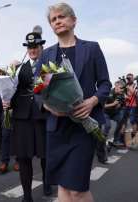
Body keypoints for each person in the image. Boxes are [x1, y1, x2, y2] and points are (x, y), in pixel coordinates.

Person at [35, 3, 111, 201]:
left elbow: (104, 84)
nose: (58, 21)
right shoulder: (47, 55)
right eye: (53, 19)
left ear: (73, 20)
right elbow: (38, 91)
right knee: (63, 185)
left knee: (77, 189)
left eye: (62, 16)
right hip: (57, 127)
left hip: (83, 127)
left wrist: (92, 101)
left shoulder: (91, 48)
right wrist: (50, 107)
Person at [3, 31, 50, 202]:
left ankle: (46, 183)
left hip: (42, 116)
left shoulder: (49, 66)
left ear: (40, 47)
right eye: (29, 47)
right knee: (23, 158)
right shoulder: (18, 68)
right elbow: (11, 90)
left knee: (45, 156)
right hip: (21, 118)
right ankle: (27, 196)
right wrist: (7, 101)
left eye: (35, 46)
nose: (32, 50)